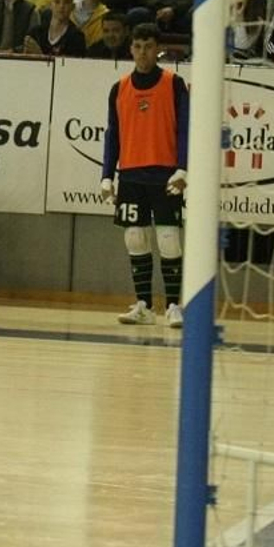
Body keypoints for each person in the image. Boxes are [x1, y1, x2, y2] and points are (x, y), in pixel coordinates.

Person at [97, 23, 190, 327]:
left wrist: (183, 168)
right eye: (137, 46)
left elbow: (187, 129)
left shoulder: (174, 84)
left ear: (157, 49)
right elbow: (113, 135)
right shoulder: (119, 88)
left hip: (165, 174)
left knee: (169, 239)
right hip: (132, 176)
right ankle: (144, 306)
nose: (142, 52)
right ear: (130, 48)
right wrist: (107, 175)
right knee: (135, 238)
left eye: (148, 46)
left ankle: (175, 305)